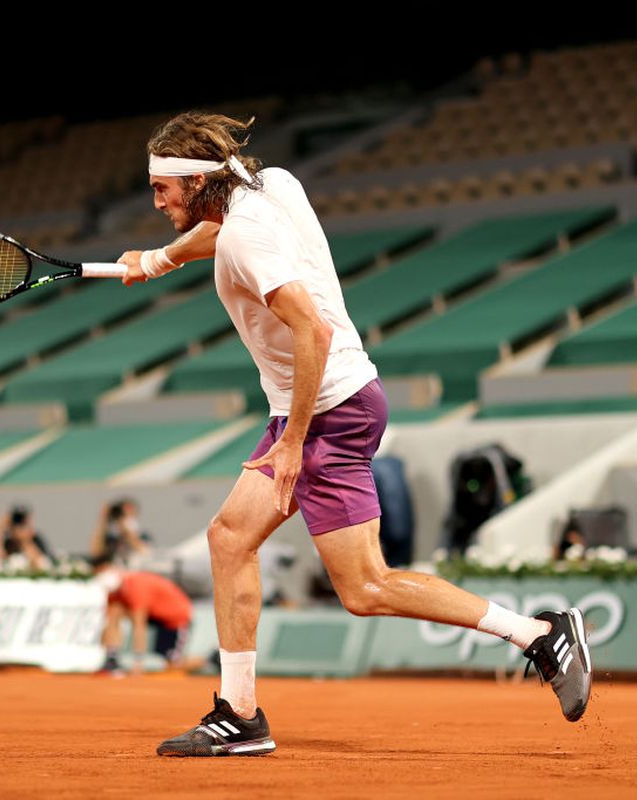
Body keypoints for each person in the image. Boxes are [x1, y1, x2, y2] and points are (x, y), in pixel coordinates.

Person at [116, 111, 591, 758]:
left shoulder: (243, 241)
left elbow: (312, 330)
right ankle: (240, 713)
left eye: (162, 188)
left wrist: (292, 443)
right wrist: (161, 257)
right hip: (333, 400)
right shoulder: (270, 185)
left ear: (197, 181)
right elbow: (221, 234)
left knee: (364, 587)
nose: (156, 200)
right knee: (232, 541)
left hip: (325, 410)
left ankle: (539, 634)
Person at [92, 555, 199, 675]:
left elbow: (139, 627)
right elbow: (110, 620)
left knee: (173, 663)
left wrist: (138, 663)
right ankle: (111, 659)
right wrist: (108, 650)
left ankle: (210, 661)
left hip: (177, 617)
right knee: (115, 611)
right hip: (156, 615)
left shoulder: (136, 588)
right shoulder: (113, 590)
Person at [0, 505, 53, 570]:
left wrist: (25, 541)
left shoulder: (36, 540)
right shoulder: (7, 541)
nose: (19, 525)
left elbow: (41, 565)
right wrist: (0, 529)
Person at [89, 498, 150, 567]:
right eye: (122, 513)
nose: (125, 516)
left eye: (129, 512)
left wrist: (123, 527)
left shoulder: (143, 535)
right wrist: (103, 521)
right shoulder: (111, 538)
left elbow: (143, 550)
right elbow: (96, 553)